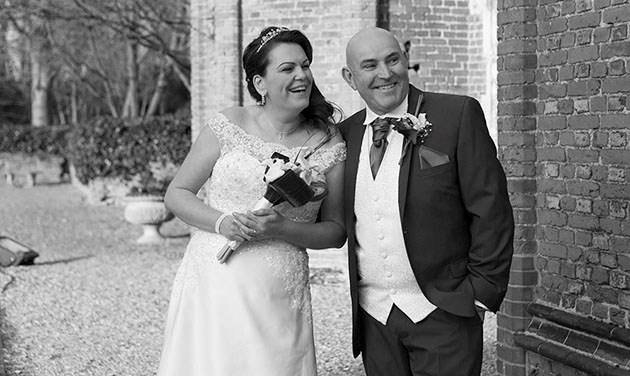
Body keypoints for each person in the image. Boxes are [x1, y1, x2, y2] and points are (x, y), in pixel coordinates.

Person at [156, 26, 346, 376]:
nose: (302, 75)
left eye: (305, 65)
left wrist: (285, 227)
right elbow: (177, 194)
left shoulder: (328, 143)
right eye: (287, 69)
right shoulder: (230, 124)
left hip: (279, 289)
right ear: (260, 84)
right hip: (215, 278)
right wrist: (221, 222)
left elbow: (335, 232)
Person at [338, 27, 514, 376]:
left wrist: (479, 294)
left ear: (405, 60)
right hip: (375, 316)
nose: (385, 74)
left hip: (445, 311)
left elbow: (491, 209)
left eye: (393, 60)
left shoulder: (456, 114)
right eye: (370, 65)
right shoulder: (345, 135)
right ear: (350, 77)